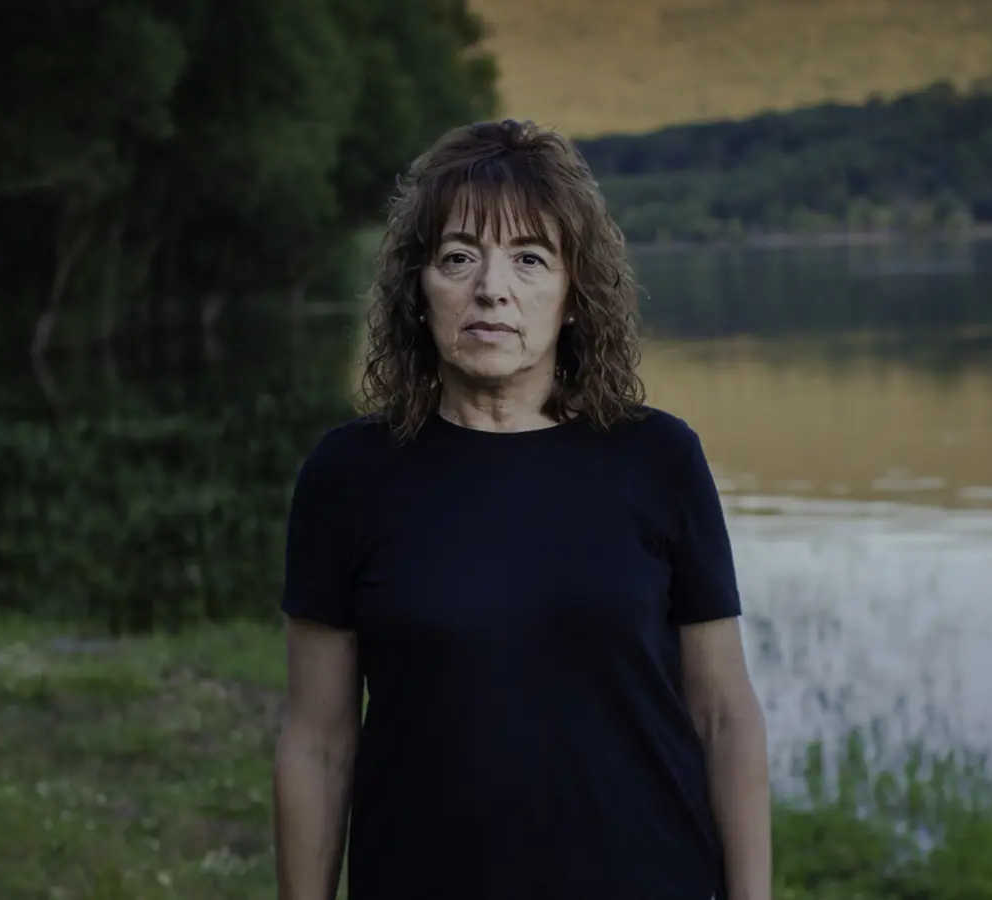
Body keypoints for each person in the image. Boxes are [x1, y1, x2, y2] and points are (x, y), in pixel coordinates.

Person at [272, 119, 770, 900]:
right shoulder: (348, 476)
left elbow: (724, 717)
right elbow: (318, 743)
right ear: (419, 289)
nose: (491, 289)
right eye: (459, 257)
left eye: (530, 258)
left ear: (574, 295)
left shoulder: (659, 459)